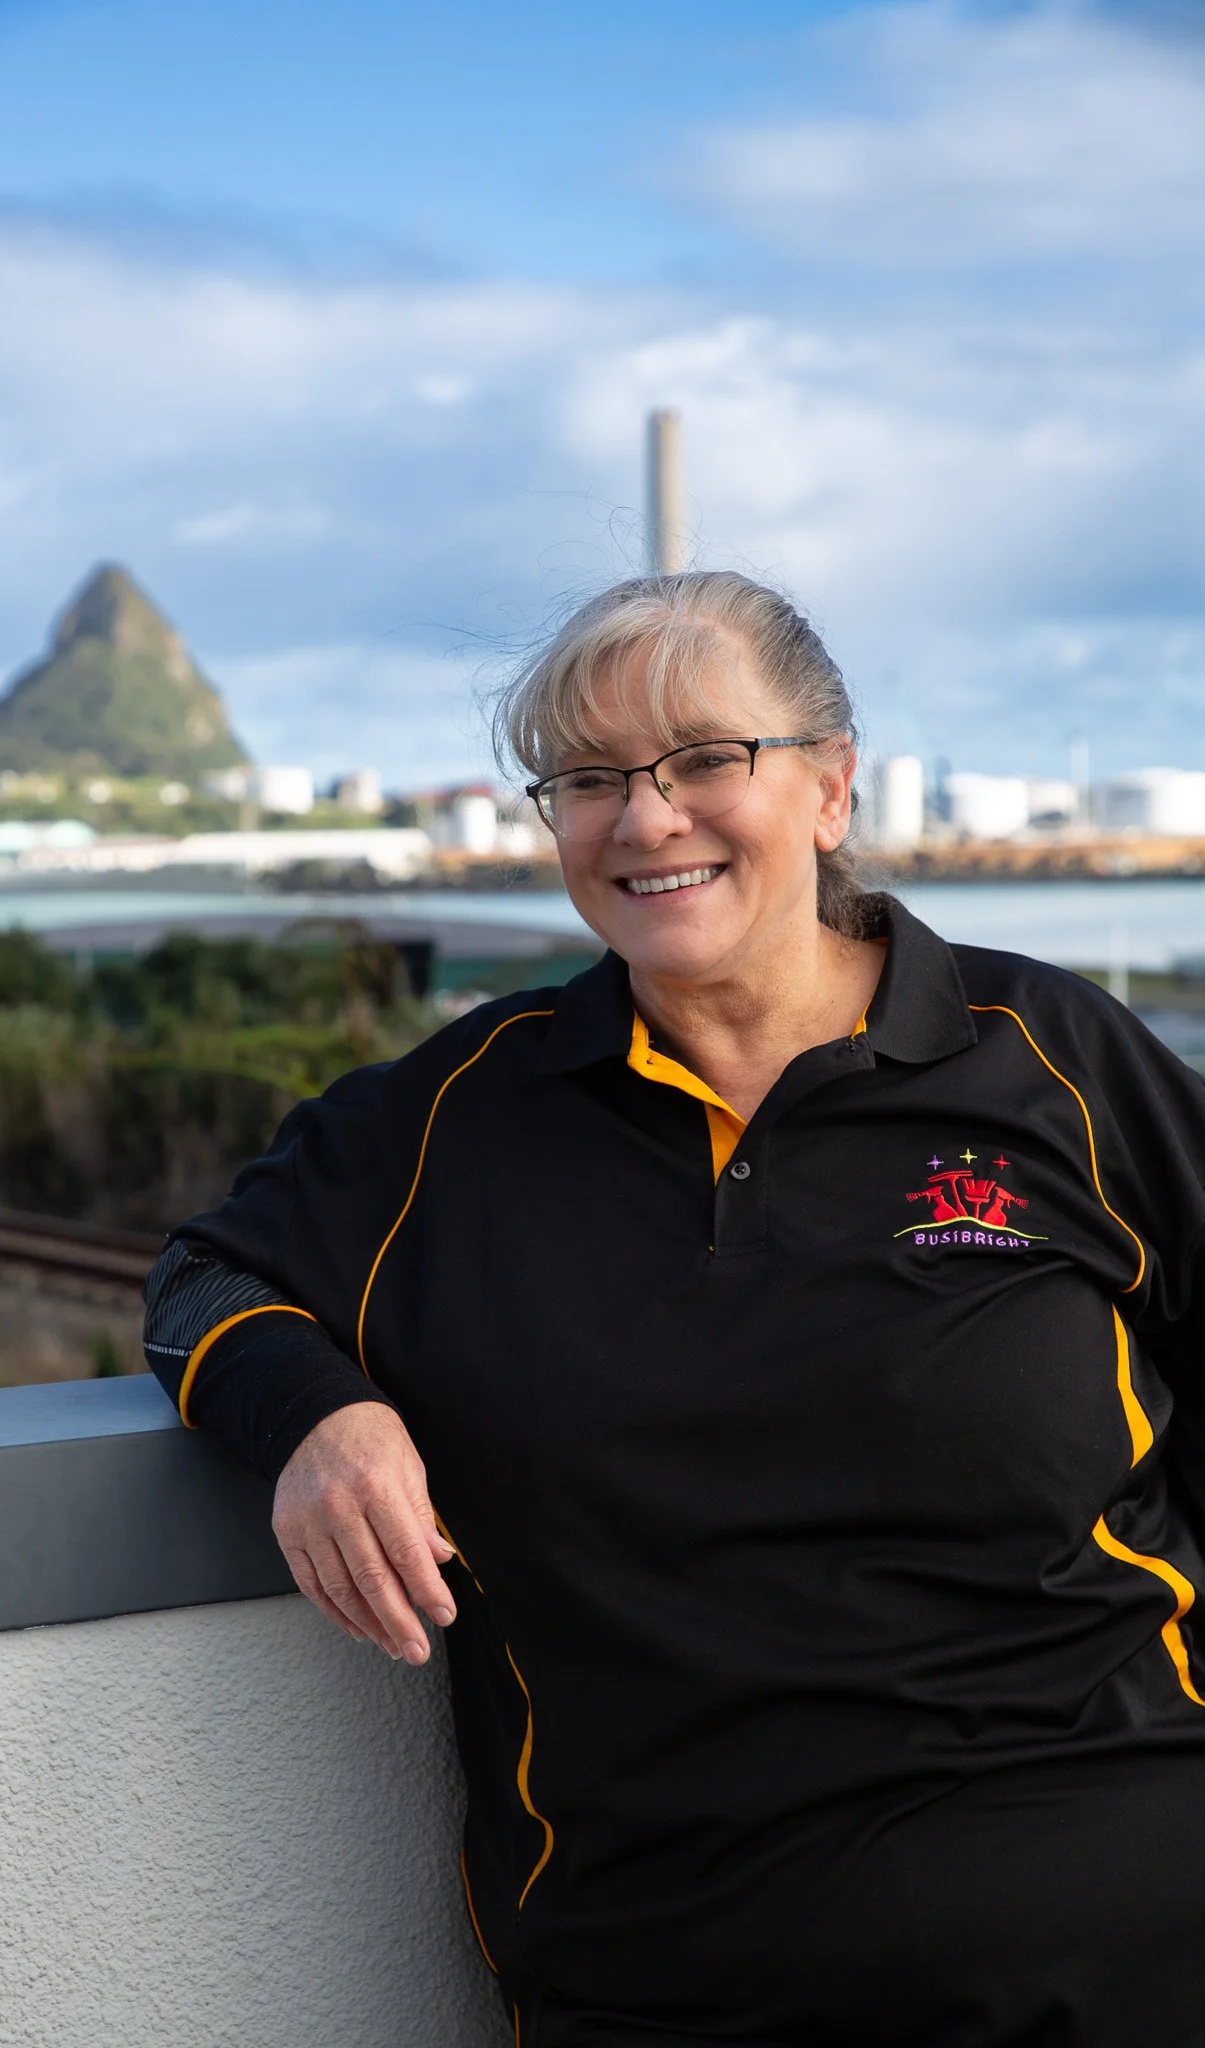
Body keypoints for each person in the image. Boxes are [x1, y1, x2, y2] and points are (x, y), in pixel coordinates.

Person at [144, 571, 1205, 2048]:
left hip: (1139, 1955)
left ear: (832, 786)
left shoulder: (1048, 1062)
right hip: (666, 1984)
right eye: (586, 779)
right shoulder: (462, 1116)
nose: (646, 819)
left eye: (708, 758)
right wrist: (319, 1415)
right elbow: (204, 1281)